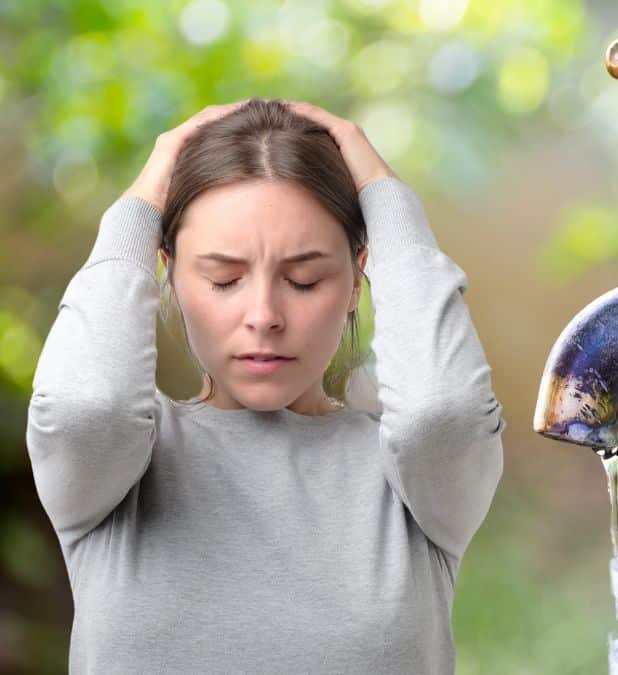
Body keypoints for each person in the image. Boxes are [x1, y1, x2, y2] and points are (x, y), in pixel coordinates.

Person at [24, 97, 506, 673]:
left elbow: (444, 412)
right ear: (168, 276)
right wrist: (139, 205)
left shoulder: (413, 477)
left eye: (304, 280)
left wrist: (384, 192)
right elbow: (86, 407)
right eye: (224, 279)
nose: (264, 315)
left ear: (358, 281)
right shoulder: (114, 468)